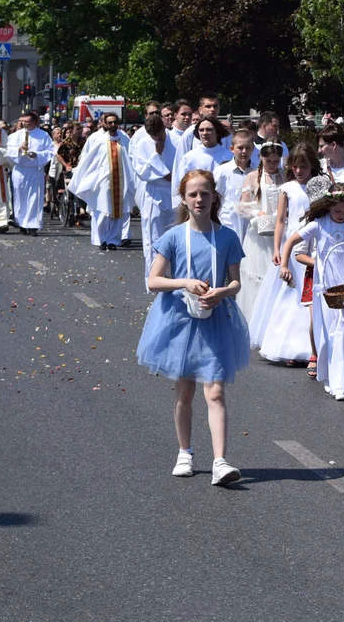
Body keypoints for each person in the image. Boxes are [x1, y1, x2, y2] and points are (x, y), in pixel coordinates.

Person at [135, 169, 249, 487]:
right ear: (184, 199)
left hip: (216, 320)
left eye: (205, 194)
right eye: (193, 194)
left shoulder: (226, 237)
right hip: (180, 321)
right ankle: (184, 451)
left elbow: (236, 281)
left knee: (215, 391)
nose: (200, 199)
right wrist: (184, 281)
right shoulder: (173, 236)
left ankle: (220, 461)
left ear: (215, 197)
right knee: (185, 391)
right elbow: (154, 281)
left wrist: (222, 292)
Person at [280, 184, 344, 400]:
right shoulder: (319, 224)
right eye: (337, 211)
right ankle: (335, 379)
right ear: (328, 207)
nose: (341, 215)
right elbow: (291, 241)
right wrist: (284, 265)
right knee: (332, 331)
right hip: (328, 283)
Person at [250, 144, 321, 365]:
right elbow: (280, 220)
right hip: (292, 243)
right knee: (291, 292)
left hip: (314, 241)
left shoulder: (319, 186)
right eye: (296, 167)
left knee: (311, 294)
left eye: (304, 166)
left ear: (312, 166)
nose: (299, 171)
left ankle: (313, 345)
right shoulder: (287, 188)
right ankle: (289, 346)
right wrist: (277, 248)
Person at [67, 118, 138, 250]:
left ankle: (113, 240)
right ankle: (101, 239)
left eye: (115, 122)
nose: (113, 125)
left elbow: (132, 157)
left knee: (118, 213)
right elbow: (90, 160)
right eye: (110, 122)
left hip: (121, 181)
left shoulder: (124, 139)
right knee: (103, 211)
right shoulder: (99, 140)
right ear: (105, 124)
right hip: (103, 181)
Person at [236, 139, 286, 318]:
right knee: (259, 274)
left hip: (280, 229)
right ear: (261, 158)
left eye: (275, 161)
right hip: (259, 233)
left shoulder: (285, 175)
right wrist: (257, 213)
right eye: (268, 161)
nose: (272, 165)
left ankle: (276, 316)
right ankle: (258, 317)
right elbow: (242, 206)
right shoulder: (252, 177)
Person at [132, 115, 178, 282]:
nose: (158, 139)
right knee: (155, 237)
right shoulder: (143, 144)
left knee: (175, 235)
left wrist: (175, 177)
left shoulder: (175, 140)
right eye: (154, 136)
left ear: (164, 127)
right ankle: (154, 279)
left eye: (159, 134)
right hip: (155, 193)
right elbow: (141, 171)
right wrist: (157, 159)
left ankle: (175, 276)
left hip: (174, 193)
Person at [5, 111, 55, 236]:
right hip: (20, 170)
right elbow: (8, 150)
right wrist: (19, 148)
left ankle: (32, 224)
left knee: (34, 197)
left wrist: (37, 155)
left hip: (34, 169)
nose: (25, 124)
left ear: (34, 122)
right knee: (20, 197)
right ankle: (21, 222)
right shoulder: (16, 135)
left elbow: (50, 151)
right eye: (24, 121)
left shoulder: (43, 135)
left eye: (28, 121)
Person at [171, 116, 233, 207]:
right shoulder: (189, 157)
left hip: (223, 206)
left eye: (209, 129)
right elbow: (180, 185)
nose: (204, 133)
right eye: (201, 130)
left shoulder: (229, 156)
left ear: (217, 132)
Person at [214, 131, 256, 245]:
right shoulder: (222, 171)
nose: (244, 152)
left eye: (248, 148)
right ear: (232, 148)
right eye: (240, 148)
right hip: (227, 225)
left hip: (251, 228)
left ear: (253, 148)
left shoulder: (257, 171)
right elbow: (215, 199)